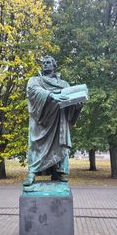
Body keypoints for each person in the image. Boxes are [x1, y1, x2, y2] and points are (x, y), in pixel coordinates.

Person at [23, 55, 83, 186]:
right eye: (43, 63)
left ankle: (59, 172)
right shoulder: (35, 80)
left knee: (60, 146)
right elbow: (33, 91)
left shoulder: (64, 84)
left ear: (54, 65)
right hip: (41, 122)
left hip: (59, 121)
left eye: (48, 62)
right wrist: (52, 95)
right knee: (36, 146)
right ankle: (32, 173)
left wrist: (77, 104)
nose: (45, 64)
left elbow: (70, 103)